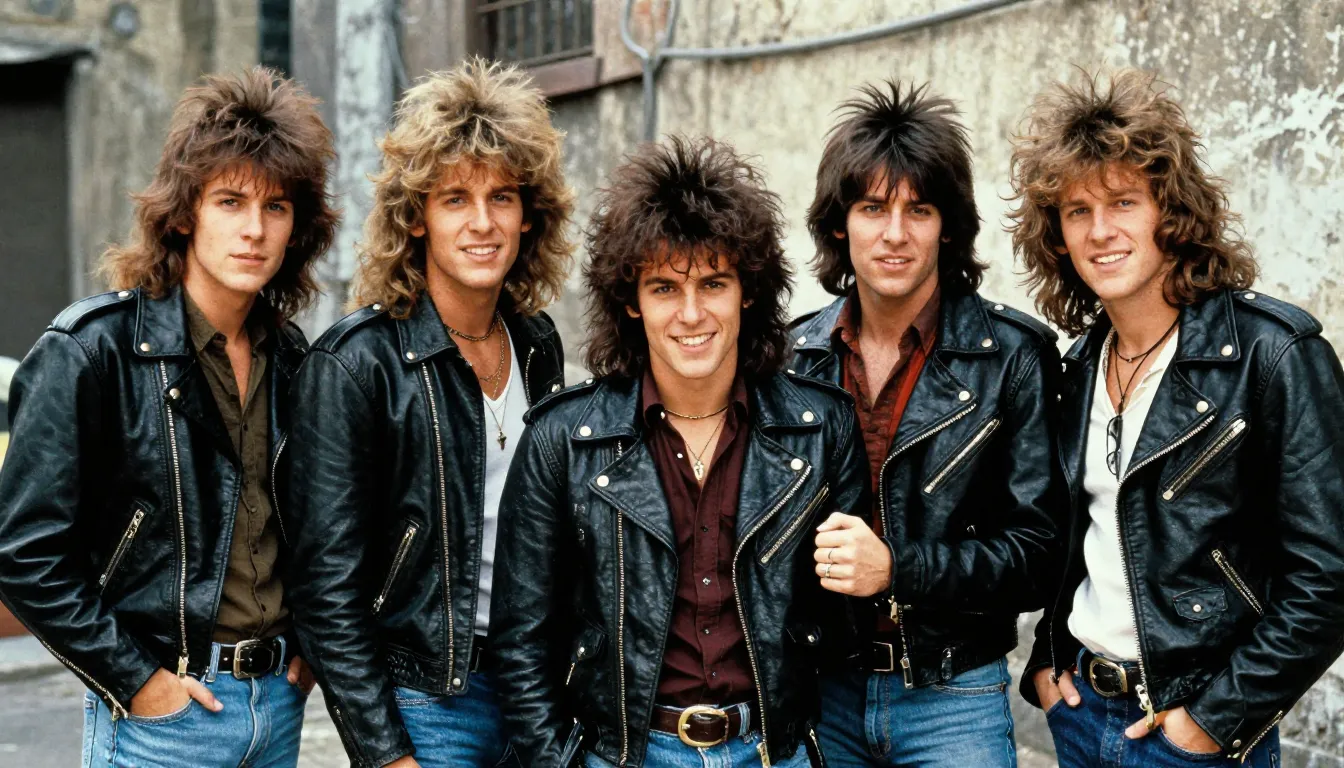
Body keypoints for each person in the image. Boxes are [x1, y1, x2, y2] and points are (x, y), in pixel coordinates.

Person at [491, 136, 870, 767]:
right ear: (631, 302)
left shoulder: (821, 427)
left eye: (713, 283)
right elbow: (520, 642)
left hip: (773, 753)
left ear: (747, 291)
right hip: (623, 755)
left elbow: (843, 629)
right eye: (665, 288)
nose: (691, 314)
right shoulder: (563, 438)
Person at [0, 67, 338, 767]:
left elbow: (311, 525)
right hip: (163, 720)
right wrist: (137, 681)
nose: (254, 230)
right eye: (230, 201)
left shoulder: (293, 359)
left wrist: (308, 641)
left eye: (276, 207)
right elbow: (23, 553)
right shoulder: (93, 351)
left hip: (277, 706)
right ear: (185, 213)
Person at [1012, 69, 1344, 767]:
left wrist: (1215, 719)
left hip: (1192, 734)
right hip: (1080, 715)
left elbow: (1329, 576)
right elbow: (1081, 544)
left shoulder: (1272, 356)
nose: (1101, 231)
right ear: (1057, 235)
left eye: (1123, 201)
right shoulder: (1078, 368)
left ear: (1171, 211)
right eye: (1077, 211)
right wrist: (1047, 658)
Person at [284, 58, 574, 768]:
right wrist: (385, 752)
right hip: (426, 701)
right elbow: (325, 586)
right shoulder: (357, 364)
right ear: (416, 217)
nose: (483, 223)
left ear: (529, 214)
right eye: (455, 199)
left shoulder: (537, 343)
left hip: (535, 687)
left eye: (502, 197)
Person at [787, 79, 1063, 767]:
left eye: (920, 209)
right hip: (822, 690)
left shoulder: (1013, 357)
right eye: (872, 208)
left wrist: (896, 569)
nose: (895, 234)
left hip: (953, 695)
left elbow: (1038, 555)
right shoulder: (793, 358)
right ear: (839, 224)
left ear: (948, 226)